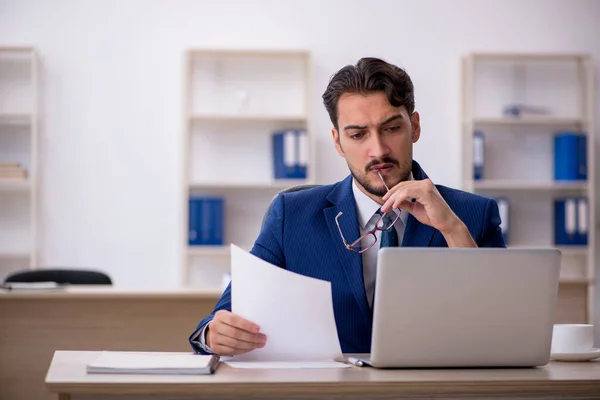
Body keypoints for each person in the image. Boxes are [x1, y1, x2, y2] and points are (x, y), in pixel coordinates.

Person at [189, 57, 505, 356]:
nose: (378, 150)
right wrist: (212, 335)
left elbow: (502, 328)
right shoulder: (291, 215)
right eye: (357, 135)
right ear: (338, 142)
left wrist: (451, 228)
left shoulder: (473, 215)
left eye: (392, 129)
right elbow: (220, 318)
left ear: (415, 127)